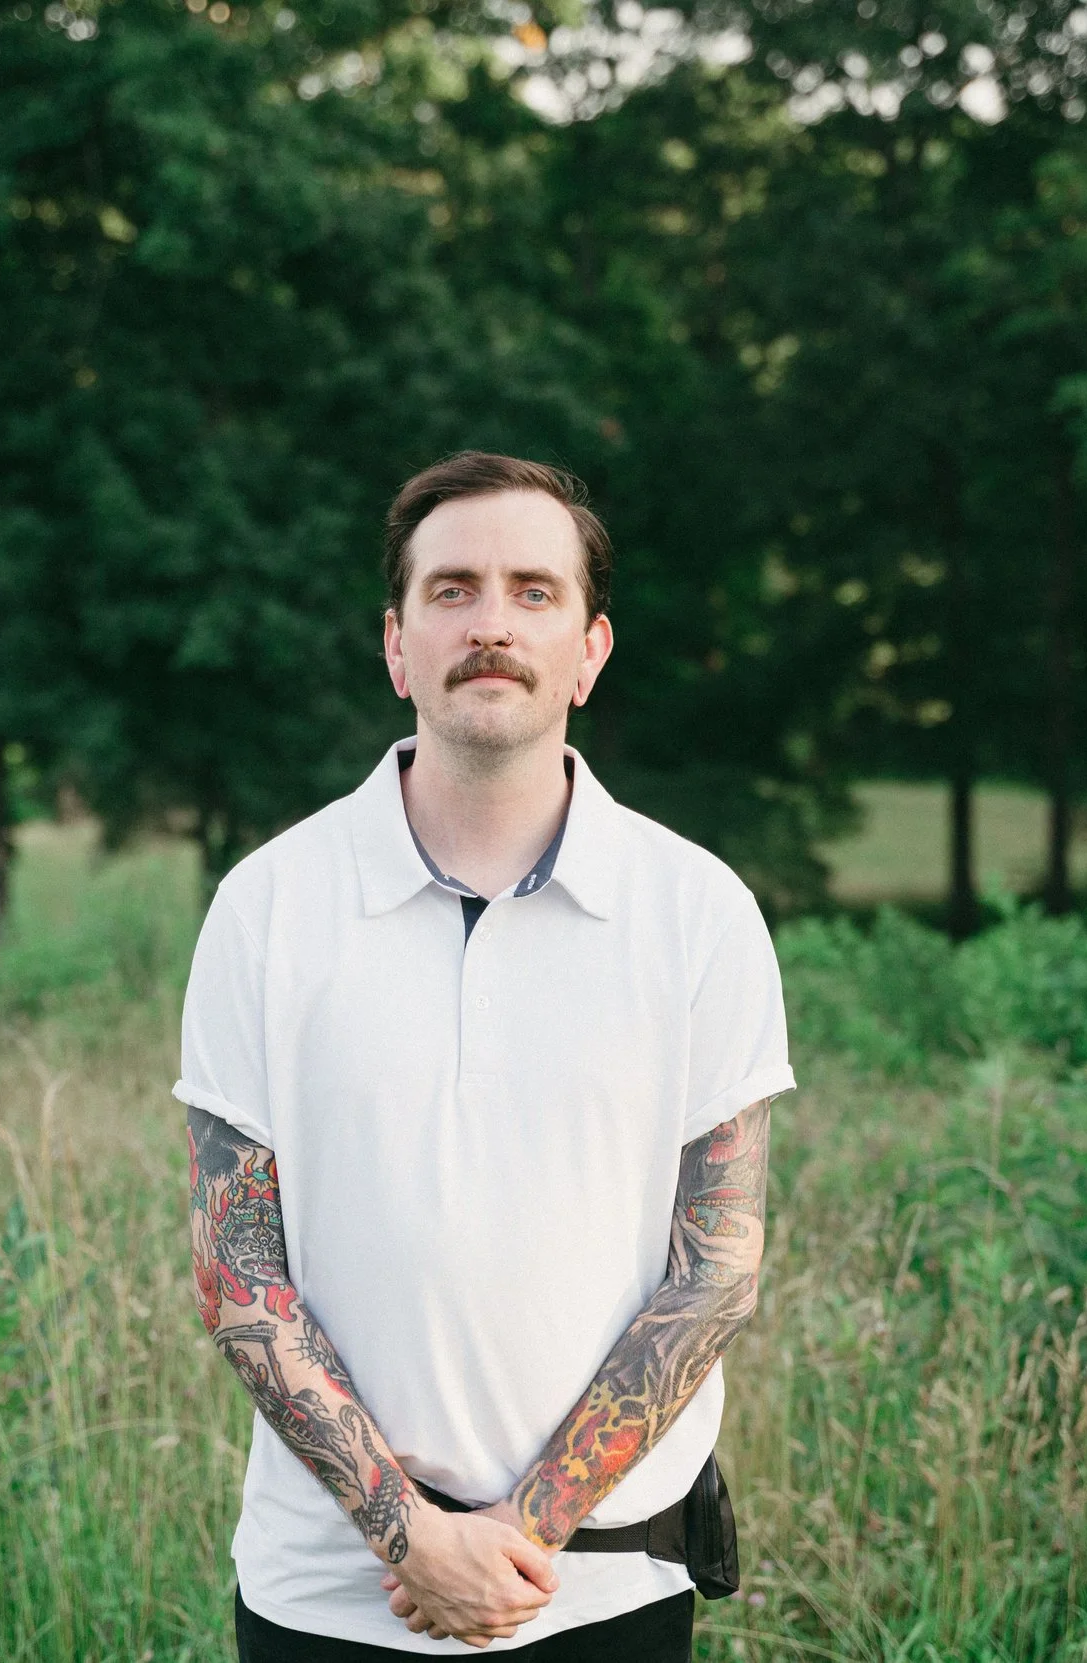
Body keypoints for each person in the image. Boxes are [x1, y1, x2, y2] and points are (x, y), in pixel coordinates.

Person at [176, 452, 795, 1657]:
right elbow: (238, 1274)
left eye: (533, 590)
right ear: (397, 646)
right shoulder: (266, 907)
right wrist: (410, 1535)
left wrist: (514, 1538)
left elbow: (714, 1270)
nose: (491, 624)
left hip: (603, 1588)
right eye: (451, 590)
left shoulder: (697, 911)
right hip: (327, 1594)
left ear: (591, 649)